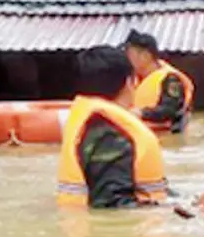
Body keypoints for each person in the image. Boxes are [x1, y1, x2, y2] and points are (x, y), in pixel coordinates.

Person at [57, 45, 169, 209]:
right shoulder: (111, 134)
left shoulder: (95, 122)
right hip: (115, 232)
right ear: (128, 82)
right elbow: (112, 207)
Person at [124, 29, 194, 133]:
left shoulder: (171, 78)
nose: (126, 58)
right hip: (143, 133)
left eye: (129, 54)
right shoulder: (132, 79)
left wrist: (142, 113)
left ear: (145, 56)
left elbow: (171, 109)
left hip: (168, 136)